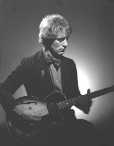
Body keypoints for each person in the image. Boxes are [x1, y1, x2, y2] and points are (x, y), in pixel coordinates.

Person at [0, 14, 100, 146]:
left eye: (67, 39)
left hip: (67, 122)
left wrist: (85, 102)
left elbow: (73, 95)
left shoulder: (70, 65)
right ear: (47, 40)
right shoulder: (30, 64)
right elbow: (3, 89)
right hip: (41, 127)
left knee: (91, 133)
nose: (66, 44)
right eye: (61, 40)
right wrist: (18, 110)